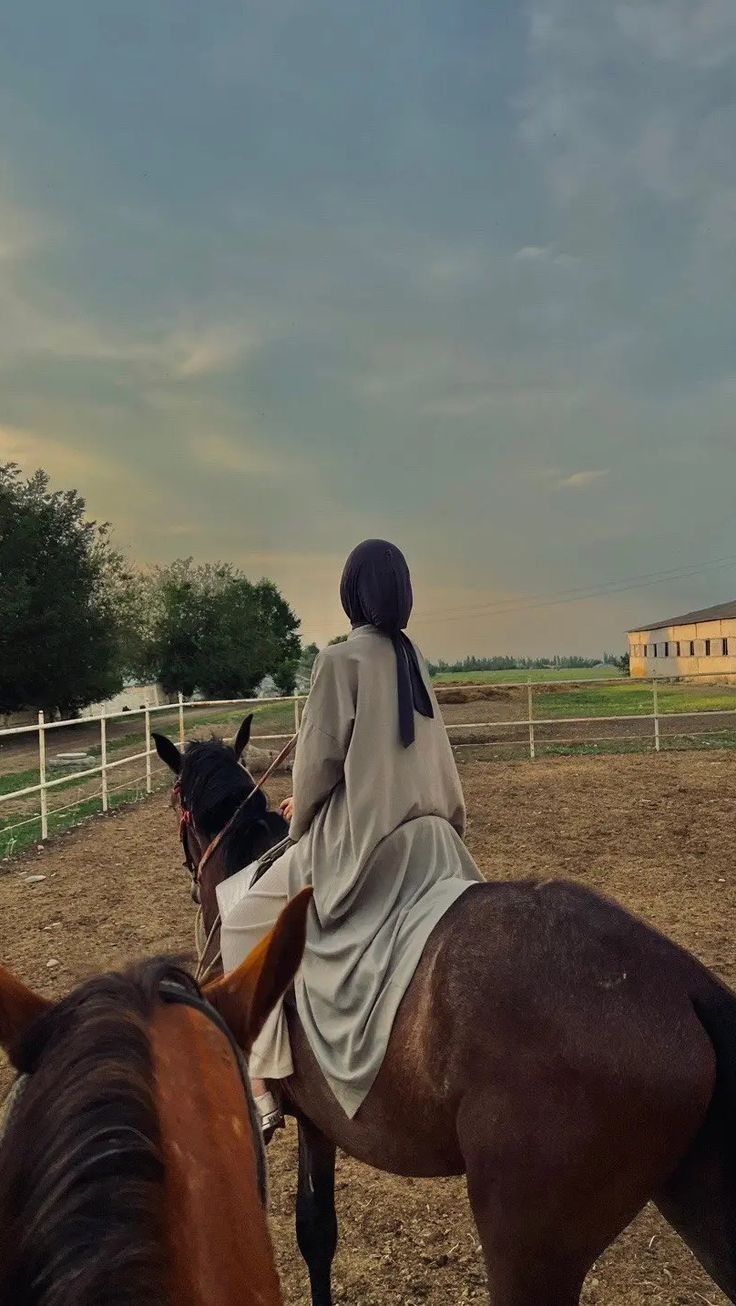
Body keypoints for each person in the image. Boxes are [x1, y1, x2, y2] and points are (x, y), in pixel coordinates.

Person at [217, 539, 484, 1135]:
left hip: (362, 846)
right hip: (433, 839)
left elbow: (316, 768)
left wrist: (302, 811)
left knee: (238, 924)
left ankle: (262, 1085)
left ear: (351, 592)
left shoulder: (339, 661)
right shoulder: (411, 658)